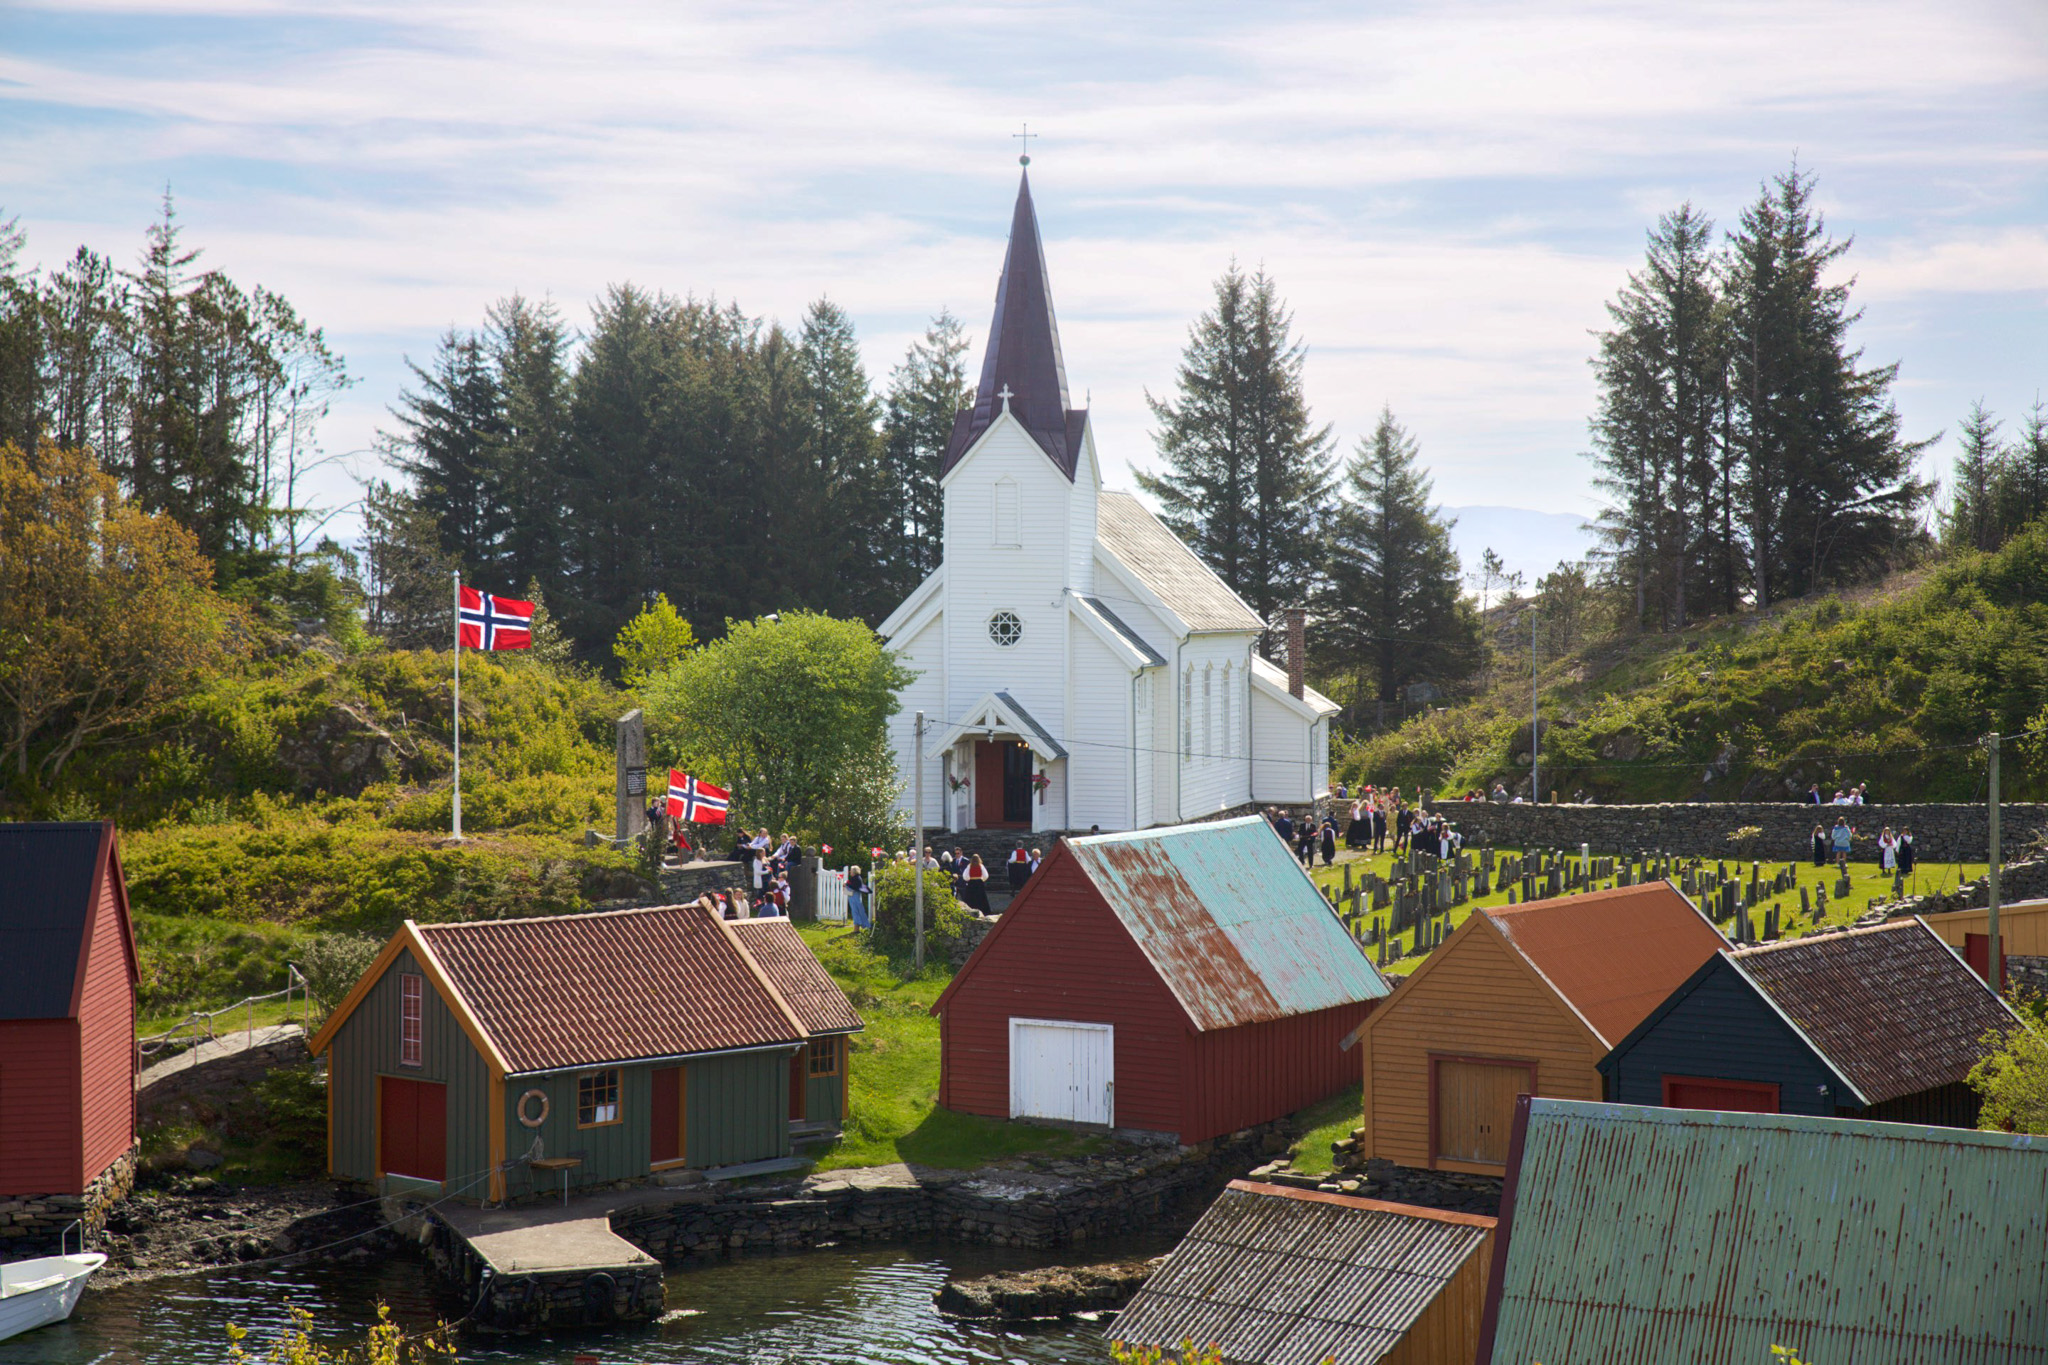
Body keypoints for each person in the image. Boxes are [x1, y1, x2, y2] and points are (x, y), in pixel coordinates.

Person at [845, 864, 870, 930]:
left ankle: (858, 927)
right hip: (855, 896)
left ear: (854, 871)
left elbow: (853, 887)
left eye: (851, 870)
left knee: (856, 911)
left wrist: (846, 884)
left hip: (854, 896)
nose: (850, 872)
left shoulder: (856, 878)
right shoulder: (856, 878)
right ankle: (860, 926)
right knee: (857, 911)